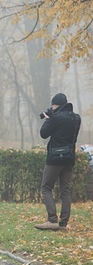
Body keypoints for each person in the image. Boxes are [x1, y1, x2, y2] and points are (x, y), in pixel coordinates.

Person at [35, 93, 82, 231]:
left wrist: (49, 119)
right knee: (65, 190)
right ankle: (63, 223)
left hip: (55, 158)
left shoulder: (55, 117)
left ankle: (52, 220)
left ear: (57, 105)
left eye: (53, 105)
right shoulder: (76, 118)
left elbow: (44, 133)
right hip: (69, 157)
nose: (52, 107)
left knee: (46, 187)